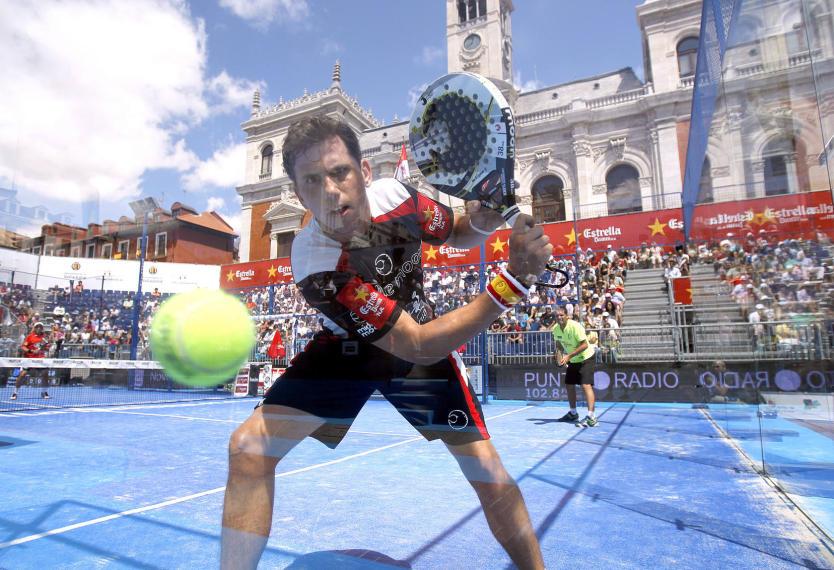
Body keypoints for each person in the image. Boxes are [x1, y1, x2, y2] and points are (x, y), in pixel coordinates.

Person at [221, 116, 551, 570]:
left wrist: (487, 215)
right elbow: (416, 345)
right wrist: (513, 280)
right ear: (298, 195)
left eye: (340, 172)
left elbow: (456, 229)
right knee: (248, 449)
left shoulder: (399, 197)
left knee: (488, 473)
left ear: (364, 172)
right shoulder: (315, 261)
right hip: (352, 351)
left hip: (416, 335)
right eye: (313, 181)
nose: (332, 190)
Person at [551, 306, 598, 427]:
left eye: (562, 315)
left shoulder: (575, 327)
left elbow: (585, 345)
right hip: (573, 359)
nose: (559, 317)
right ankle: (573, 413)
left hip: (586, 357)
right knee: (569, 384)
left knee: (585, 385)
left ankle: (591, 417)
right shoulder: (556, 329)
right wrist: (558, 355)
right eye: (557, 316)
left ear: (567, 316)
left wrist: (568, 356)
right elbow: (559, 345)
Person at [10, 322, 50, 400]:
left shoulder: (44, 337)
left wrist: (43, 348)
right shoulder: (29, 337)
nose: (39, 328)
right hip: (29, 359)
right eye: (37, 327)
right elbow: (23, 347)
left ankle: (44, 391)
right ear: (34, 328)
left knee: (45, 374)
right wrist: (31, 351)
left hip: (40, 359)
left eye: (40, 327)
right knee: (22, 375)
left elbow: (47, 348)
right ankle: (15, 392)